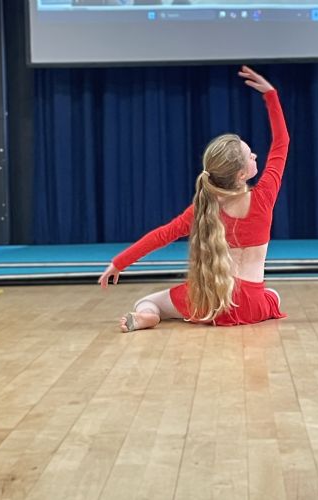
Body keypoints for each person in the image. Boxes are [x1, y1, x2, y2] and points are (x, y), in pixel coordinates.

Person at [98, 65, 290, 332]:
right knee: (273, 295)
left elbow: (161, 235)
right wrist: (271, 95)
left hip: (211, 303)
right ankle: (261, 303)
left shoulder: (204, 208)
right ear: (241, 174)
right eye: (250, 156)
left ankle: (147, 316)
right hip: (253, 306)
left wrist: (118, 262)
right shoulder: (265, 196)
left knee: (148, 301)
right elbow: (281, 142)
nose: (255, 155)